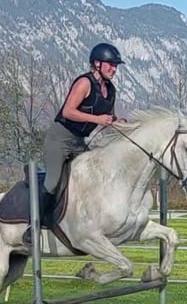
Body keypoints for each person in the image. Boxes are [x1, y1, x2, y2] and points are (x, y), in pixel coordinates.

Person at [24, 42, 125, 245]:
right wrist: (98, 120)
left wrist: (117, 122)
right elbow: (68, 111)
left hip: (79, 141)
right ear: (97, 63)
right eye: (110, 64)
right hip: (59, 138)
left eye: (116, 65)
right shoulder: (84, 83)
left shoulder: (110, 90)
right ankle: (32, 227)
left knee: (94, 175)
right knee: (53, 182)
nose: (114, 69)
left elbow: (108, 118)